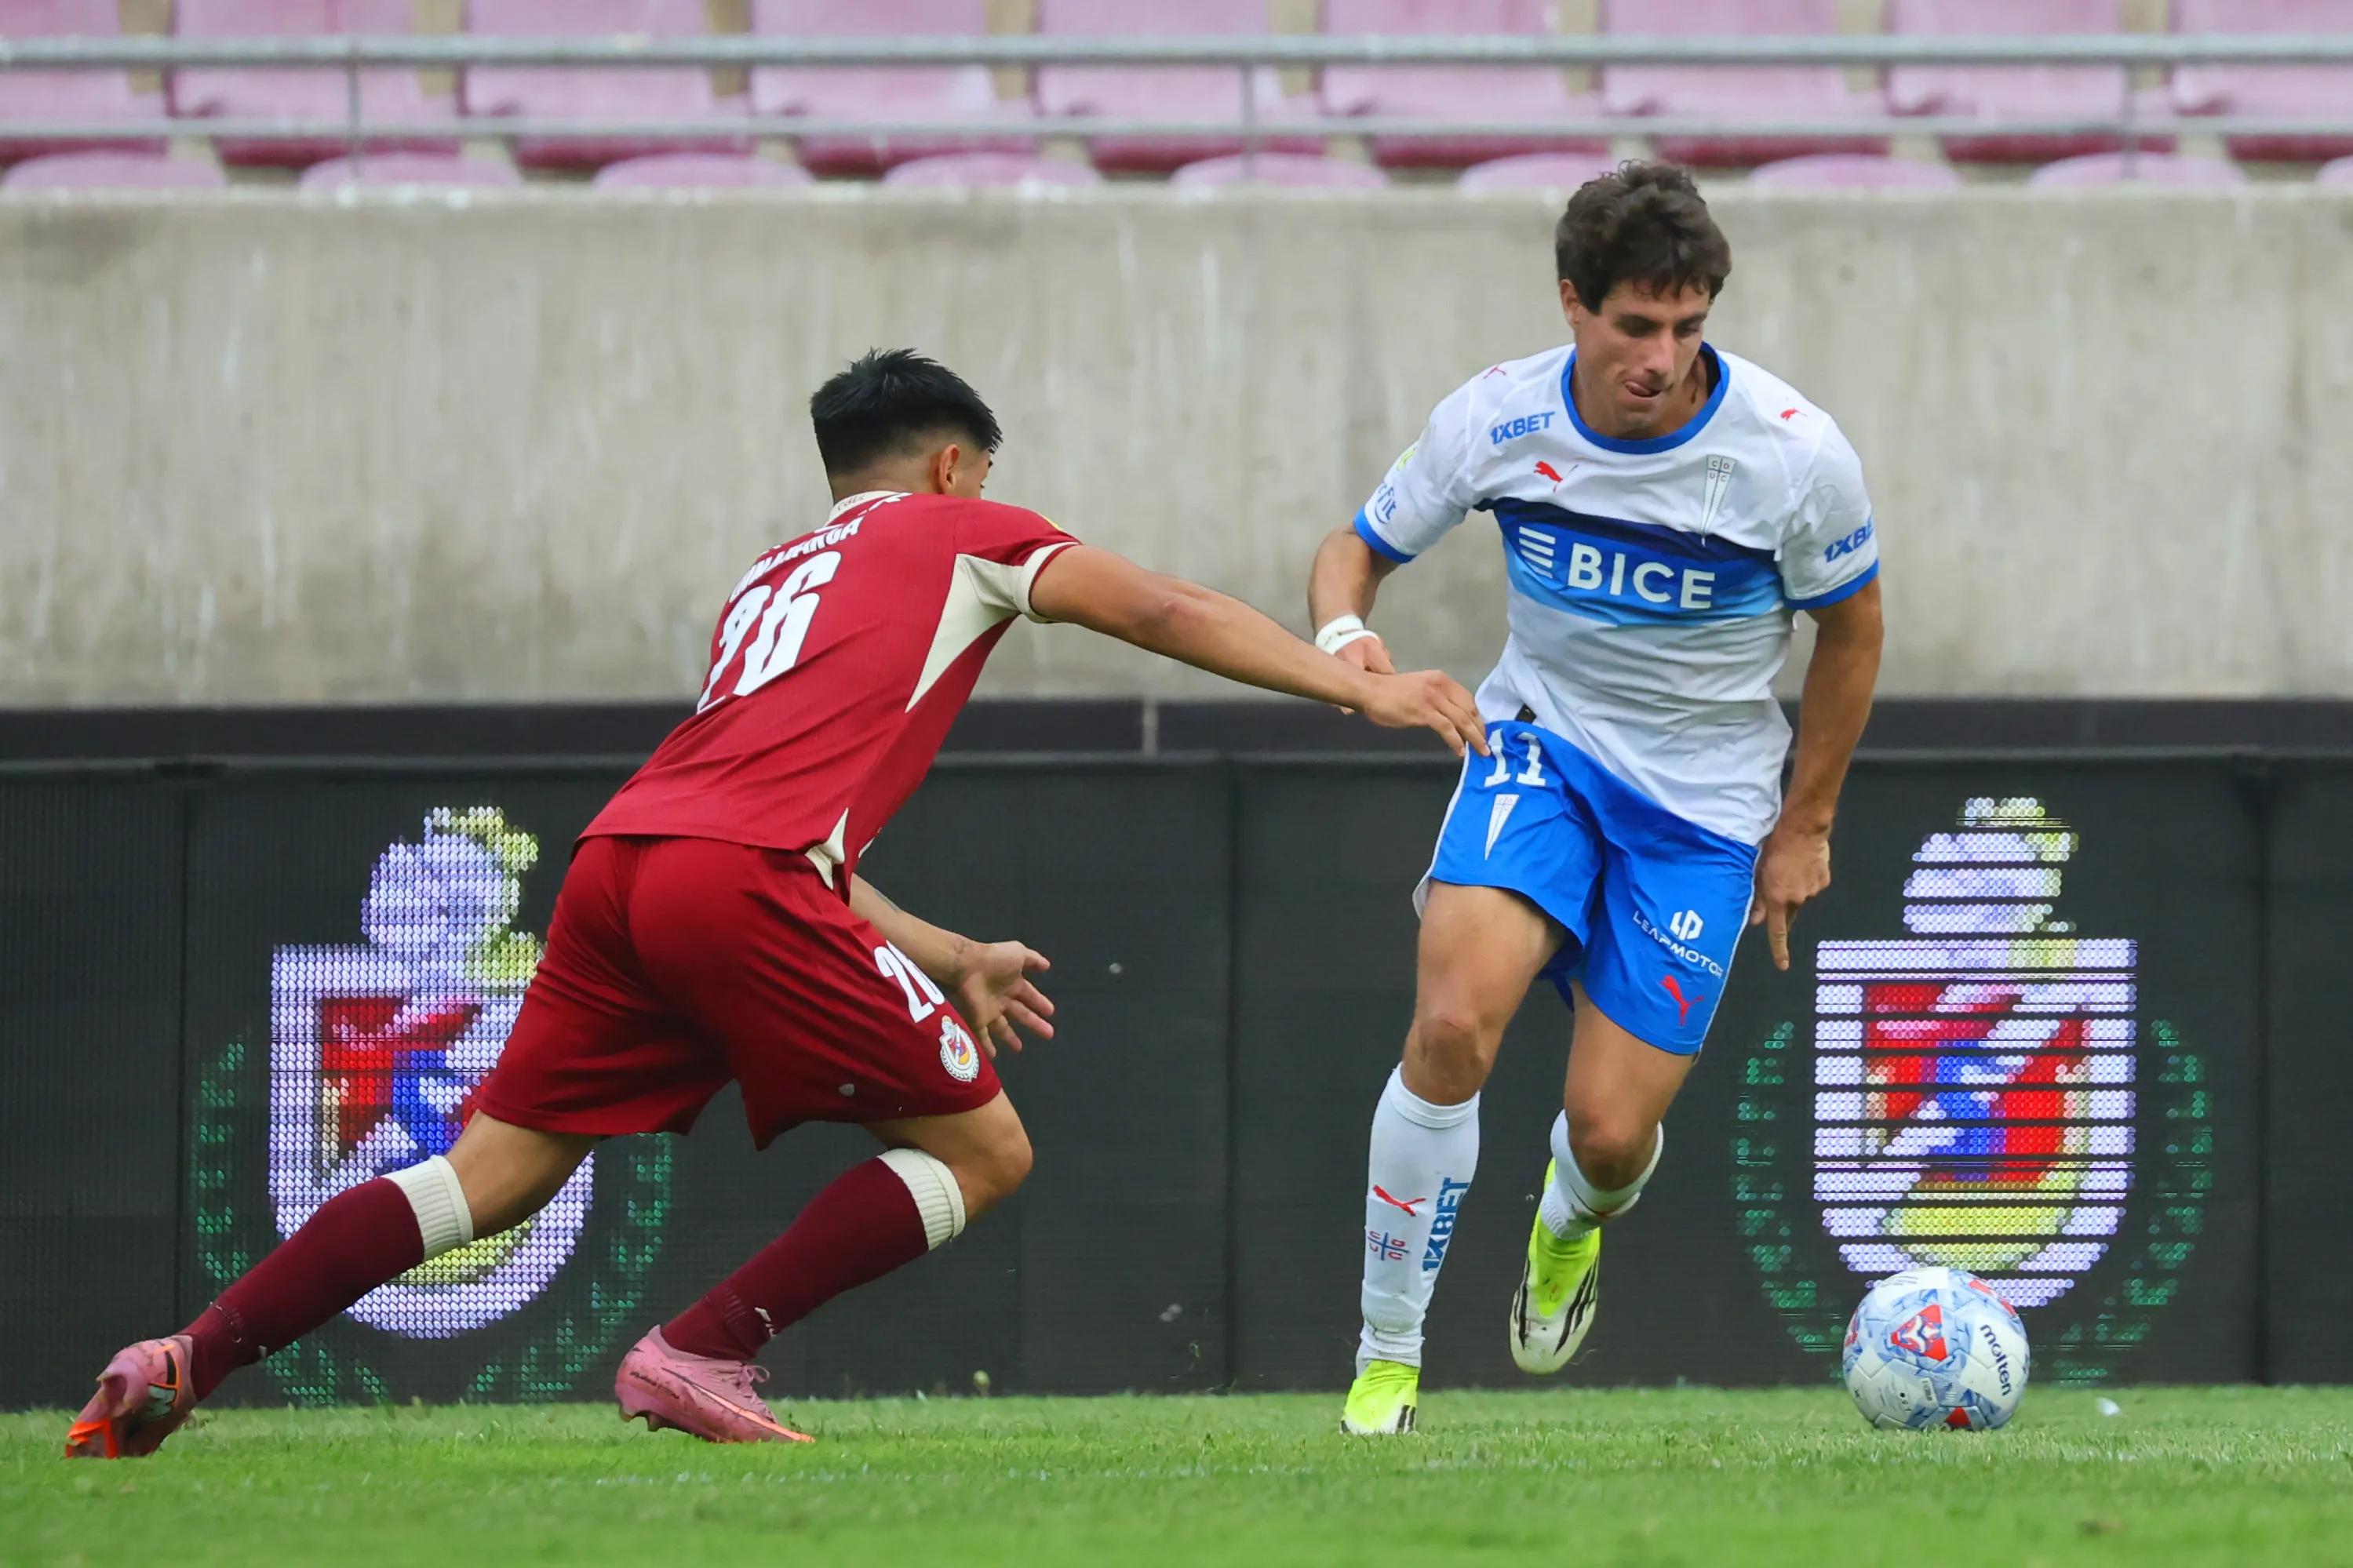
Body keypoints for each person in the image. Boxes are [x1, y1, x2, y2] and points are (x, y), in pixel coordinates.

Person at [68, 348, 1485, 1458]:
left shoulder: (771, 578)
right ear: (951, 468)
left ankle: (190, 1353)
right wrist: (1357, 683)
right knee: (983, 1150)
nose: (994, 494)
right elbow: (1164, 610)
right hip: (729, 878)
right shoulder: (964, 532)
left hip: (624, 865)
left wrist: (943, 952)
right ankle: (701, 1343)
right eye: (985, 474)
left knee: (483, 1179)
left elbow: (758, 814)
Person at [1309, 163, 1884, 1435]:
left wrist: (1806, 825)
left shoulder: (1790, 457)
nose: (1660, 359)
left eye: (1686, 328)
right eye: (1634, 326)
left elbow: (1852, 632)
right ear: (1572, 303)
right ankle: (1386, 1362)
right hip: (1538, 751)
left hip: (1703, 812)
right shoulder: (1498, 417)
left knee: (1610, 1133)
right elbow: (1354, 548)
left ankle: (1570, 1222)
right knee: (1454, 1025)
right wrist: (1349, 635)